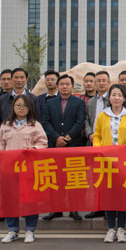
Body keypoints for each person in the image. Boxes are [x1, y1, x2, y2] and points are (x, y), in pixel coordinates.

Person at [0, 94, 48, 243]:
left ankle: (30, 230)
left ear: (29, 108)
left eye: (24, 106)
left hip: (28, 169)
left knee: (30, 200)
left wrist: (33, 149)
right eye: (18, 105)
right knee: (10, 200)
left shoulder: (35, 125)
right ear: (13, 107)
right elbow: (0, 143)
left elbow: (43, 143)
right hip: (9, 169)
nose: (21, 108)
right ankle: (12, 230)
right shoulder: (6, 125)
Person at [92, 84, 126, 243]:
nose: (116, 98)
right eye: (113, 95)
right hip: (106, 161)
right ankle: (110, 228)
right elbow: (97, 135)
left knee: (123, 195)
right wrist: (99, 149)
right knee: (109, 194)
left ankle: (121, 228)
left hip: (125, 161)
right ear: (109, 97)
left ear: (124, 97)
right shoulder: (102, 115)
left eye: (119, 95)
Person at [41, 74, 86, 220]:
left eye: (67, 84)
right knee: (56, 179)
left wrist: (67, 138)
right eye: (62, 84)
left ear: (72, 86)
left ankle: (74, 209)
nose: (65, 87)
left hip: (73, 145)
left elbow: (80, 122)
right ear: (57, 86)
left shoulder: (79, 102)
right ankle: (56, 209)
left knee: (73, 179)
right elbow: (45, 122)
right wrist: (56, 138)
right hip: (55, 146)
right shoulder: (50, 103)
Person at [83, 70, 112, 219]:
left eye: (103, 81)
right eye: (98, 81)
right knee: (95, 177)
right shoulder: (91, 102)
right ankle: (97, 207)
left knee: (109, 177)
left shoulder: (113, 100)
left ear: (109, 83)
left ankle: (109, 208)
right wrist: (89, 134)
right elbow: (87, 120)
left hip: (109, 144)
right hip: (93, 143)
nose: (101, 83)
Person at [0, 68, 41, 139]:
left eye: (22, 77)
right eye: (16, 77)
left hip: (28, 139)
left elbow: (37, 120)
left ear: (26, 79)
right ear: (11, 79)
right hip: (8, 138)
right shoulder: (2, 99)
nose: (19, 80)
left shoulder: (33, 99)